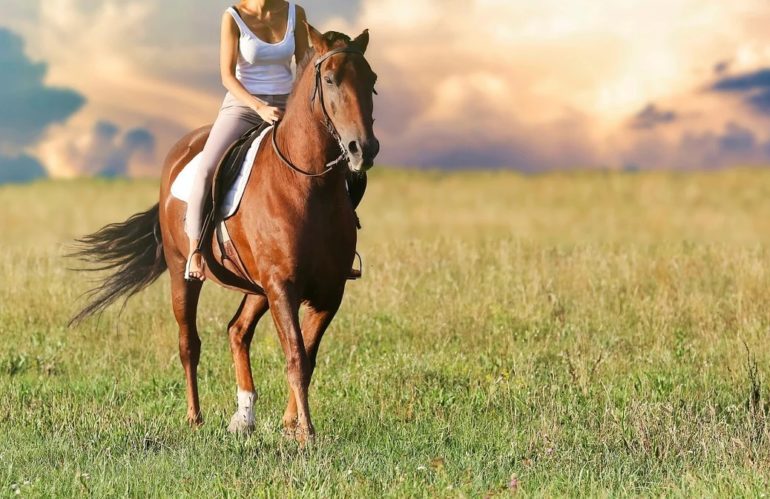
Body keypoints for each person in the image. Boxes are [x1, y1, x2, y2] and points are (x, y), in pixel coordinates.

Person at [184, 0, 306, 281]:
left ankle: (337, 251)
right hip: (245, 107)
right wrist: (259, 107)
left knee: (336, 163)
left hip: (289, 106)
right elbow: (227, 76)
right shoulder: (233, 16)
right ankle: (195, 250)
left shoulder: (295, 13)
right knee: (207, 169)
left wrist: (299, 107)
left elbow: (304, 65)